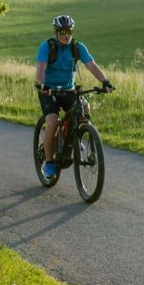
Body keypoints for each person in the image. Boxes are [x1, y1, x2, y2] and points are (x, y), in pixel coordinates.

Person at [35, 14, 115, 179]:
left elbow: (92, 65)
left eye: (69, 31)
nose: (67, 35)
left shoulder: (77, 47)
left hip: (68, 90)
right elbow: (41, 69)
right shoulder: (47, 47)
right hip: (49, 91)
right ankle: (49, 162)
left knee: (85, 107)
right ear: (56, 32)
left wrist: (105, 81)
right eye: (63, 31)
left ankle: (77, 136)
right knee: (52, 122)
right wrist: (43, 85)